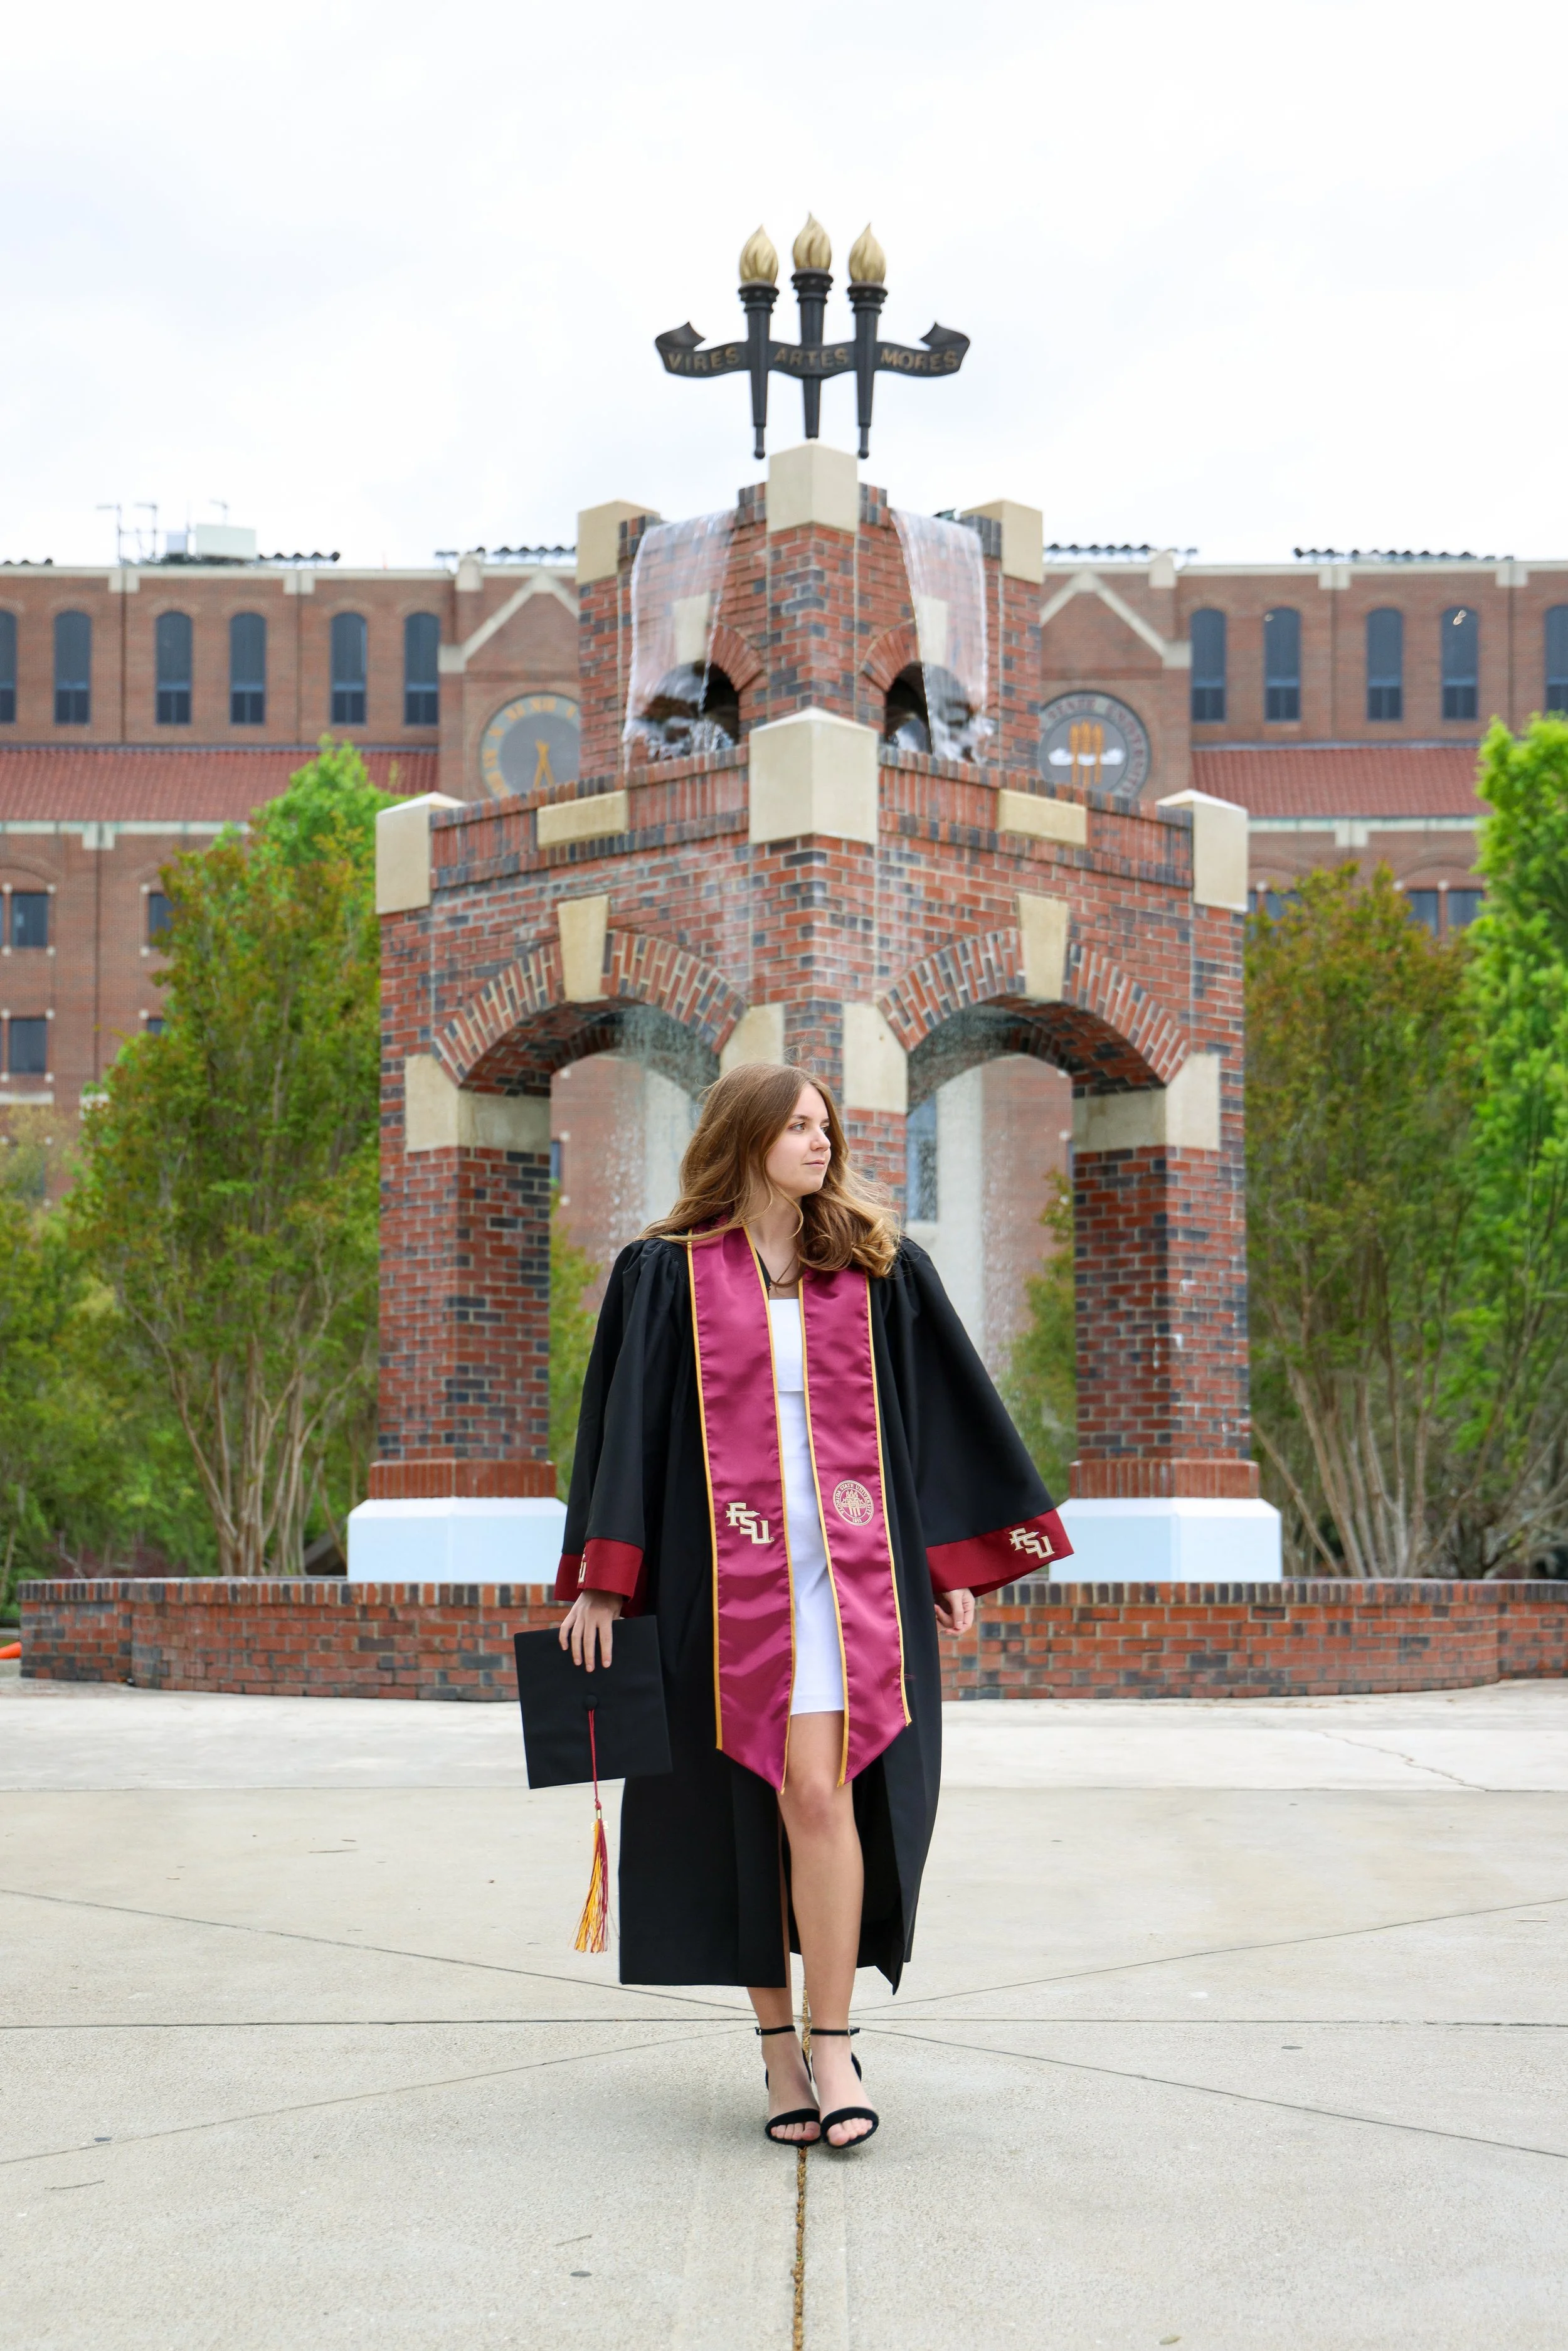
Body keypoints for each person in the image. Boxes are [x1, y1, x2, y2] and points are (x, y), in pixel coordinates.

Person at [556, 1062, 1071, 2149]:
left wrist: (947, 1563)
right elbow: (621, 1436)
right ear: (745, 1140)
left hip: (850, 1587)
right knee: (742, 1803)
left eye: (825, 1126)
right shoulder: (664, 1275)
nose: (821, 1142)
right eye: (797, 1127)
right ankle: (778, 2052)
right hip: (721, 1584)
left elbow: (936, 1422)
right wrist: (606, 1579)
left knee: (820, 1793)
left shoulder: (878, 1269)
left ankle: (833, 2043)